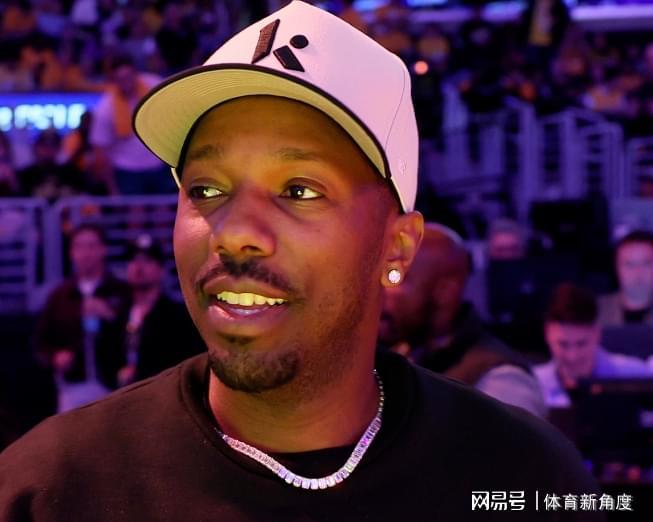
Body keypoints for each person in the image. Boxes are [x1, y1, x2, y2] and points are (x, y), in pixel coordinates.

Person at [1, 3, 603, 520]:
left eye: (298, 190)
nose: (236, 233)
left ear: (397, 246)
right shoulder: (47, 488)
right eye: (206, 189)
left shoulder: (525, 478)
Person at [380, 223, 547, 417]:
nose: (381, 291)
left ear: (445, 292)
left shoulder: (502, 381)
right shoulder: (399, 357)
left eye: (395, 278)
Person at [34, 223, 131, 412]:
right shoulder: (60, 296)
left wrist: (110, 315)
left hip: (114, 384)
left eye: (92, 246)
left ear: (103, 249)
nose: (86, 253)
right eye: (79, 246)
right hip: (72, 386)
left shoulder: (120, 291)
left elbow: (136, 332)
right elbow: (41, 342)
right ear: (71, 252)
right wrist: (56, 356)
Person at [535, 283, 652, 408]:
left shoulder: (636, 376)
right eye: (562, 344)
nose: (572, 356)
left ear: (596, 334)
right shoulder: (533, 384)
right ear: (547, 333)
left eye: (581, 344)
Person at [117, 234, 205, 386]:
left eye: (147, 260)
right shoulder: (118, 313)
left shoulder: (178, 317)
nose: (138, 266)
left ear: (161, 269)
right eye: (133, 260)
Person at [89, 54, 173, 195]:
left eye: (128, 77)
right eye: (120, 79)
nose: (126, 82)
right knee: (134, 208)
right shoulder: (106, 107)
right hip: (127, 169)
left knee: (163, 206)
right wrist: (112, 189)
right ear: (113, 80)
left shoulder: (154, 86)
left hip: (158, 163)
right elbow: (100, 149)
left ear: (135, 73)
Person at [597, 230, 653, 326]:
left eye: (646, 263)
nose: (638, 272)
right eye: (629, 264)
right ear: (616, 268)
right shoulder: (593, 311)